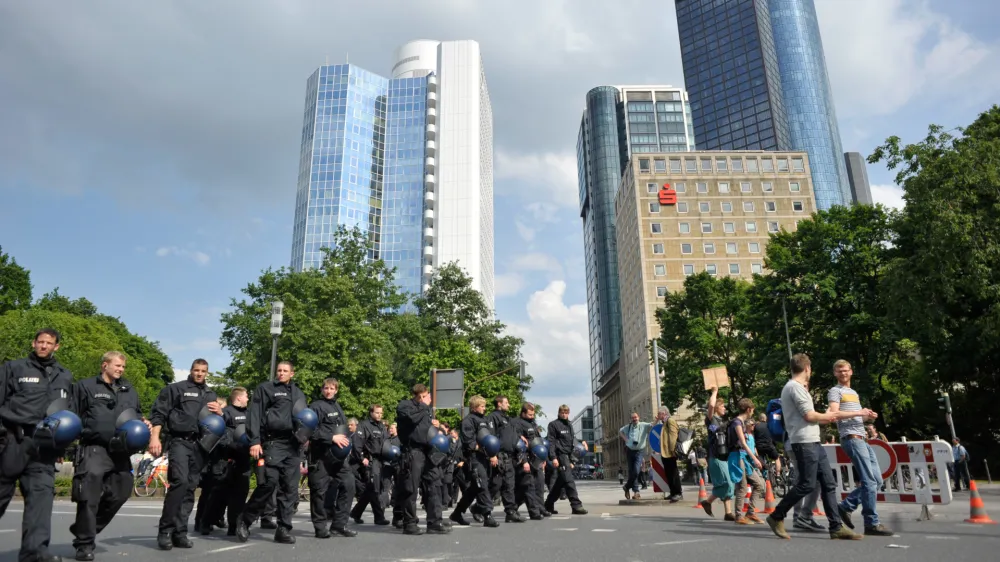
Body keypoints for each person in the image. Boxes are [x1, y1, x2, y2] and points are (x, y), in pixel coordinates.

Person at [765, 354, 866, 540]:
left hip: (812, 441)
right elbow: (810, 416)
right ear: (807, 368)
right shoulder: (795, 388)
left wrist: (827, 415)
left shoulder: (796, 388)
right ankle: (776, 516)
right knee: (806, 484)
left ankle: (836, 527)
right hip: (804, 442)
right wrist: (828, 416)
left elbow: (811, 416)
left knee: (828, 483)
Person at [0, 329, 75, 562]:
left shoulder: (65, 375)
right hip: (13, 441)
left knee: (41, 502)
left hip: (44, 447)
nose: (43, 346)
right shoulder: (14, 368)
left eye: (48, 343)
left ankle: (34, 553)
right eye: (40, 342)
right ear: (34, 343)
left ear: (56, 347)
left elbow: (65, 412)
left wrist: (61, 445)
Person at [70, 351, 152, 561]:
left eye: (123, 367)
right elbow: (72, 415)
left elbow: (136, 414)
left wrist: (144, 423)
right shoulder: (85, 386)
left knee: (122, 491)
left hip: (121, 451)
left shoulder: (129, 389)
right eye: (117, 366)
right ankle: (84, 544)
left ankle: (84, 528)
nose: (120, 370)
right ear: (104, 365)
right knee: (89, 497)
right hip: (94, 448)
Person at [149, 358, 221, 550]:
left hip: (200, 444)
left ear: (207, 373)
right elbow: (158, 414)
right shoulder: (175, 389)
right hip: (179, 441)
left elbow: (217, 422)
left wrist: (220, 413)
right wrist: (155, 438)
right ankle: (165, 531)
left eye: (203, 371)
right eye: (196, 370)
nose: (199, 374)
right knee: (179, 482)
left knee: (190, 487)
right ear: (191, 370)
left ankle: (179, 533)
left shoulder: (210, 394)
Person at [236, 361, 307, 544]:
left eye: (285, 371)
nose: (281, 373)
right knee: (268, 484)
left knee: (290, 489)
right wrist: (255, 441)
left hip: (293, 445)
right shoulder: (266, 388)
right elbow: (255, 414)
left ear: (292, 373)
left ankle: (283, 529)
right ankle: (244, 520)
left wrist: (305, 436)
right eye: (279, 371)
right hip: (272, 442)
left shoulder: (299, 393)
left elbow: (305, 418)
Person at [827, 360, 893, 536]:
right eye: (839, 371)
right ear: (835, 373)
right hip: (851, 439)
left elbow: (855, 418)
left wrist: (867, 417)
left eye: (845, 370)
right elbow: (834, 414)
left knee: (877, 480)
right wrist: (859, 412)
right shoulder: (836, 391)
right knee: (869, 481)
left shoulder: (853, 393)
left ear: (851, 371)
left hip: (862, 439)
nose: (843, 373)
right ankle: (871, 523)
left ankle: (846, 506)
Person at [394, 384, 450, 535]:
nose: (431, 399)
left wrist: (435, 427)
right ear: (421, 396)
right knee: (410, 488)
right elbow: (411, 419)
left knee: (434, 484)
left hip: (429, 450)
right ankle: (410, 523)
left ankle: (434, 522)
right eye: (428, 396)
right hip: (413, 451)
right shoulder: (405, 406)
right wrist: (424, 406)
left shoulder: (425, 411)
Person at [307, 378, 356, 537]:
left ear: (336, 390)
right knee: (318, 493)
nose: (328, 391)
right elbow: (310, 431)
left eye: (332, 388)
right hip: (321, 457)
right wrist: (331, 438)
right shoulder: (316, 406)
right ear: (322, 390)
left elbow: (342, 430)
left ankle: (339, 525)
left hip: (338, 458)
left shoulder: (337, 406)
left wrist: (347, 445)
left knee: (349, 485)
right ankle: (320, 528)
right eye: (326, 388)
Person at [203, 387, 251, 536]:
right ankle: (206, 522)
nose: (248, 399)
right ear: (238, 398)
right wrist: (233, 446)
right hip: (226, 459)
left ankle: (234, 525)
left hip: (243, 459)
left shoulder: (249, 414)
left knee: (240, 495)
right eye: (246, 396)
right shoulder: (226, 413)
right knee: (219, 494)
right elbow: (222, 434)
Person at [450, 395, 500, 527]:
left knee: (474, 488)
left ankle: (457, 513)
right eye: (482, 406)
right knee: (481, 485)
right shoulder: (468, 421)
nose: (484, 408)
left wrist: (492, 452)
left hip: (484, 457)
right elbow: (468, 441)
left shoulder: (486, 420)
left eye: (484, 406)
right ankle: (488, 515)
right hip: (474, 458)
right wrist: (482, 448)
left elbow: (491, 438)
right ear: (474, 407)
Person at [486, 395, 526, 522]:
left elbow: (511, 436)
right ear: (499, 404)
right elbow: (490, 437)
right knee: (495, 485)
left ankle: (510, 512)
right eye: (506, 403)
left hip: (509, 456)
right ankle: (479, 507)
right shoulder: (493, 417)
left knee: (509, 485)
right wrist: (493, 455)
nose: (508, 405)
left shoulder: (507, 419)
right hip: (499, 455)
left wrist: (520, 438)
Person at [349, 403, 390, 526]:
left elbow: (386, 443)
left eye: (381, 413)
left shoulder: (382, 426)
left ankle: (356, 512)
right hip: (369, 461)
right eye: (377, 412)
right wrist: (362, 458)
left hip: (380, 461)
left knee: (370, 490)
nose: (379, 415)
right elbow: (357, 444)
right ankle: (379, 517)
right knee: (373, 489)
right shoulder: (364, 425)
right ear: (371, 412)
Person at [544, 405, 588, 515]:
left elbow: (572, 440)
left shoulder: (569, 424)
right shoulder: (553, 425)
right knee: (569, 481)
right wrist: (553, 457)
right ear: (559, 413)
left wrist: (581, 441)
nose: (564, 414)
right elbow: (551, 442)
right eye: (562, 412)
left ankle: (548, 505)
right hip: (560, 455)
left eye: (566, 413)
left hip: (568, 455)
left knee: (560, 483)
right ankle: (576, 505)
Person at [700, 386, 734, 520]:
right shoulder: (711, 419)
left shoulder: (724, 421)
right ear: (716, 408)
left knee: (725, 483)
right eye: (722, 406)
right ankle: (708, 501)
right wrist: (714, 392)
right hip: (715, 456)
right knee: (728, 483)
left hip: (724, 456)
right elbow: (711, 406)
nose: (724, 408)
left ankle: (728, 513)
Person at [727, 400, 764, 525]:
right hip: (736, 456)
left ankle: (750, 512)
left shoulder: (741, 422)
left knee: (759, 484)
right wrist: (755, 458)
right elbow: (742, 442)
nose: (753, 412)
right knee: (742, 487)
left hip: (743, 457)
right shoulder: (737, 422)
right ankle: (738, 515)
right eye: (752, 409)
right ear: (748, 409)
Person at [512, 402, 546, 520]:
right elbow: (519, 445)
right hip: (525, 460)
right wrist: (524, 461)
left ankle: (512, 509)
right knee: (529, 486)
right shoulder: (518, 424)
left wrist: (543, 458)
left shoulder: (534, 424)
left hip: (536, 459)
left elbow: (538, 441)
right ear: (523, 413)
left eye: (533, 414)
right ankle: (534, 512)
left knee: (535, 485)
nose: (532, 416)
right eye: (530, 414)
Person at [618, 412, 654, 500]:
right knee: (632, 471)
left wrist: (657, 420)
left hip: (639, 451)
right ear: (631, 419)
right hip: (629, 451)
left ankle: (626, 486)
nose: (634, 419)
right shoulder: (628, 427)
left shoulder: (643, 425)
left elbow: (652, 425)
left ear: (639, 417)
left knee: (636, 471)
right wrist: (625, 438)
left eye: (636, 417)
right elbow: (620, 431)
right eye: (633, 418)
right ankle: (636, 492)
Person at [656, 406, 683, 502]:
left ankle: (678, 493)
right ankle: (672, 492)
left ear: (664, 413)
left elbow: (673, 436)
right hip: (665, 453)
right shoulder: (664, 423)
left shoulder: (670, 421)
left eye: (659, 414)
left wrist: (672, 450)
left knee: (673, 473)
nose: (657, 415)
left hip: (670, 452)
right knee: (668, 473)